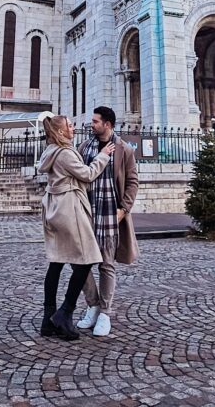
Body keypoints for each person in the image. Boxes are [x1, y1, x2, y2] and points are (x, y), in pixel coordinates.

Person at [37, 114, 115, 341]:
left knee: (57, 263)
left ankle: (48, 318)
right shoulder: (65, 153)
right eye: (70, 126)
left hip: (54, 209)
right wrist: (102, 156)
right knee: (87, 259)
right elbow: (88, 174)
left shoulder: (49, 151)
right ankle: (65, 312)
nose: (74, 128)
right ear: (61, 132)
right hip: (69, 210)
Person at [76, 106, 139, 337]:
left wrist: (123, 209)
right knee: (80, 263)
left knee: (106, 264)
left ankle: (104, 312)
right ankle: (92, 304)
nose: (91, 124)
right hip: (86, 213)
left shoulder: (124, 150)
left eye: (95, 121)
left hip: (111, 214)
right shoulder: (84, 147)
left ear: (108, 124)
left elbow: (132, 181)